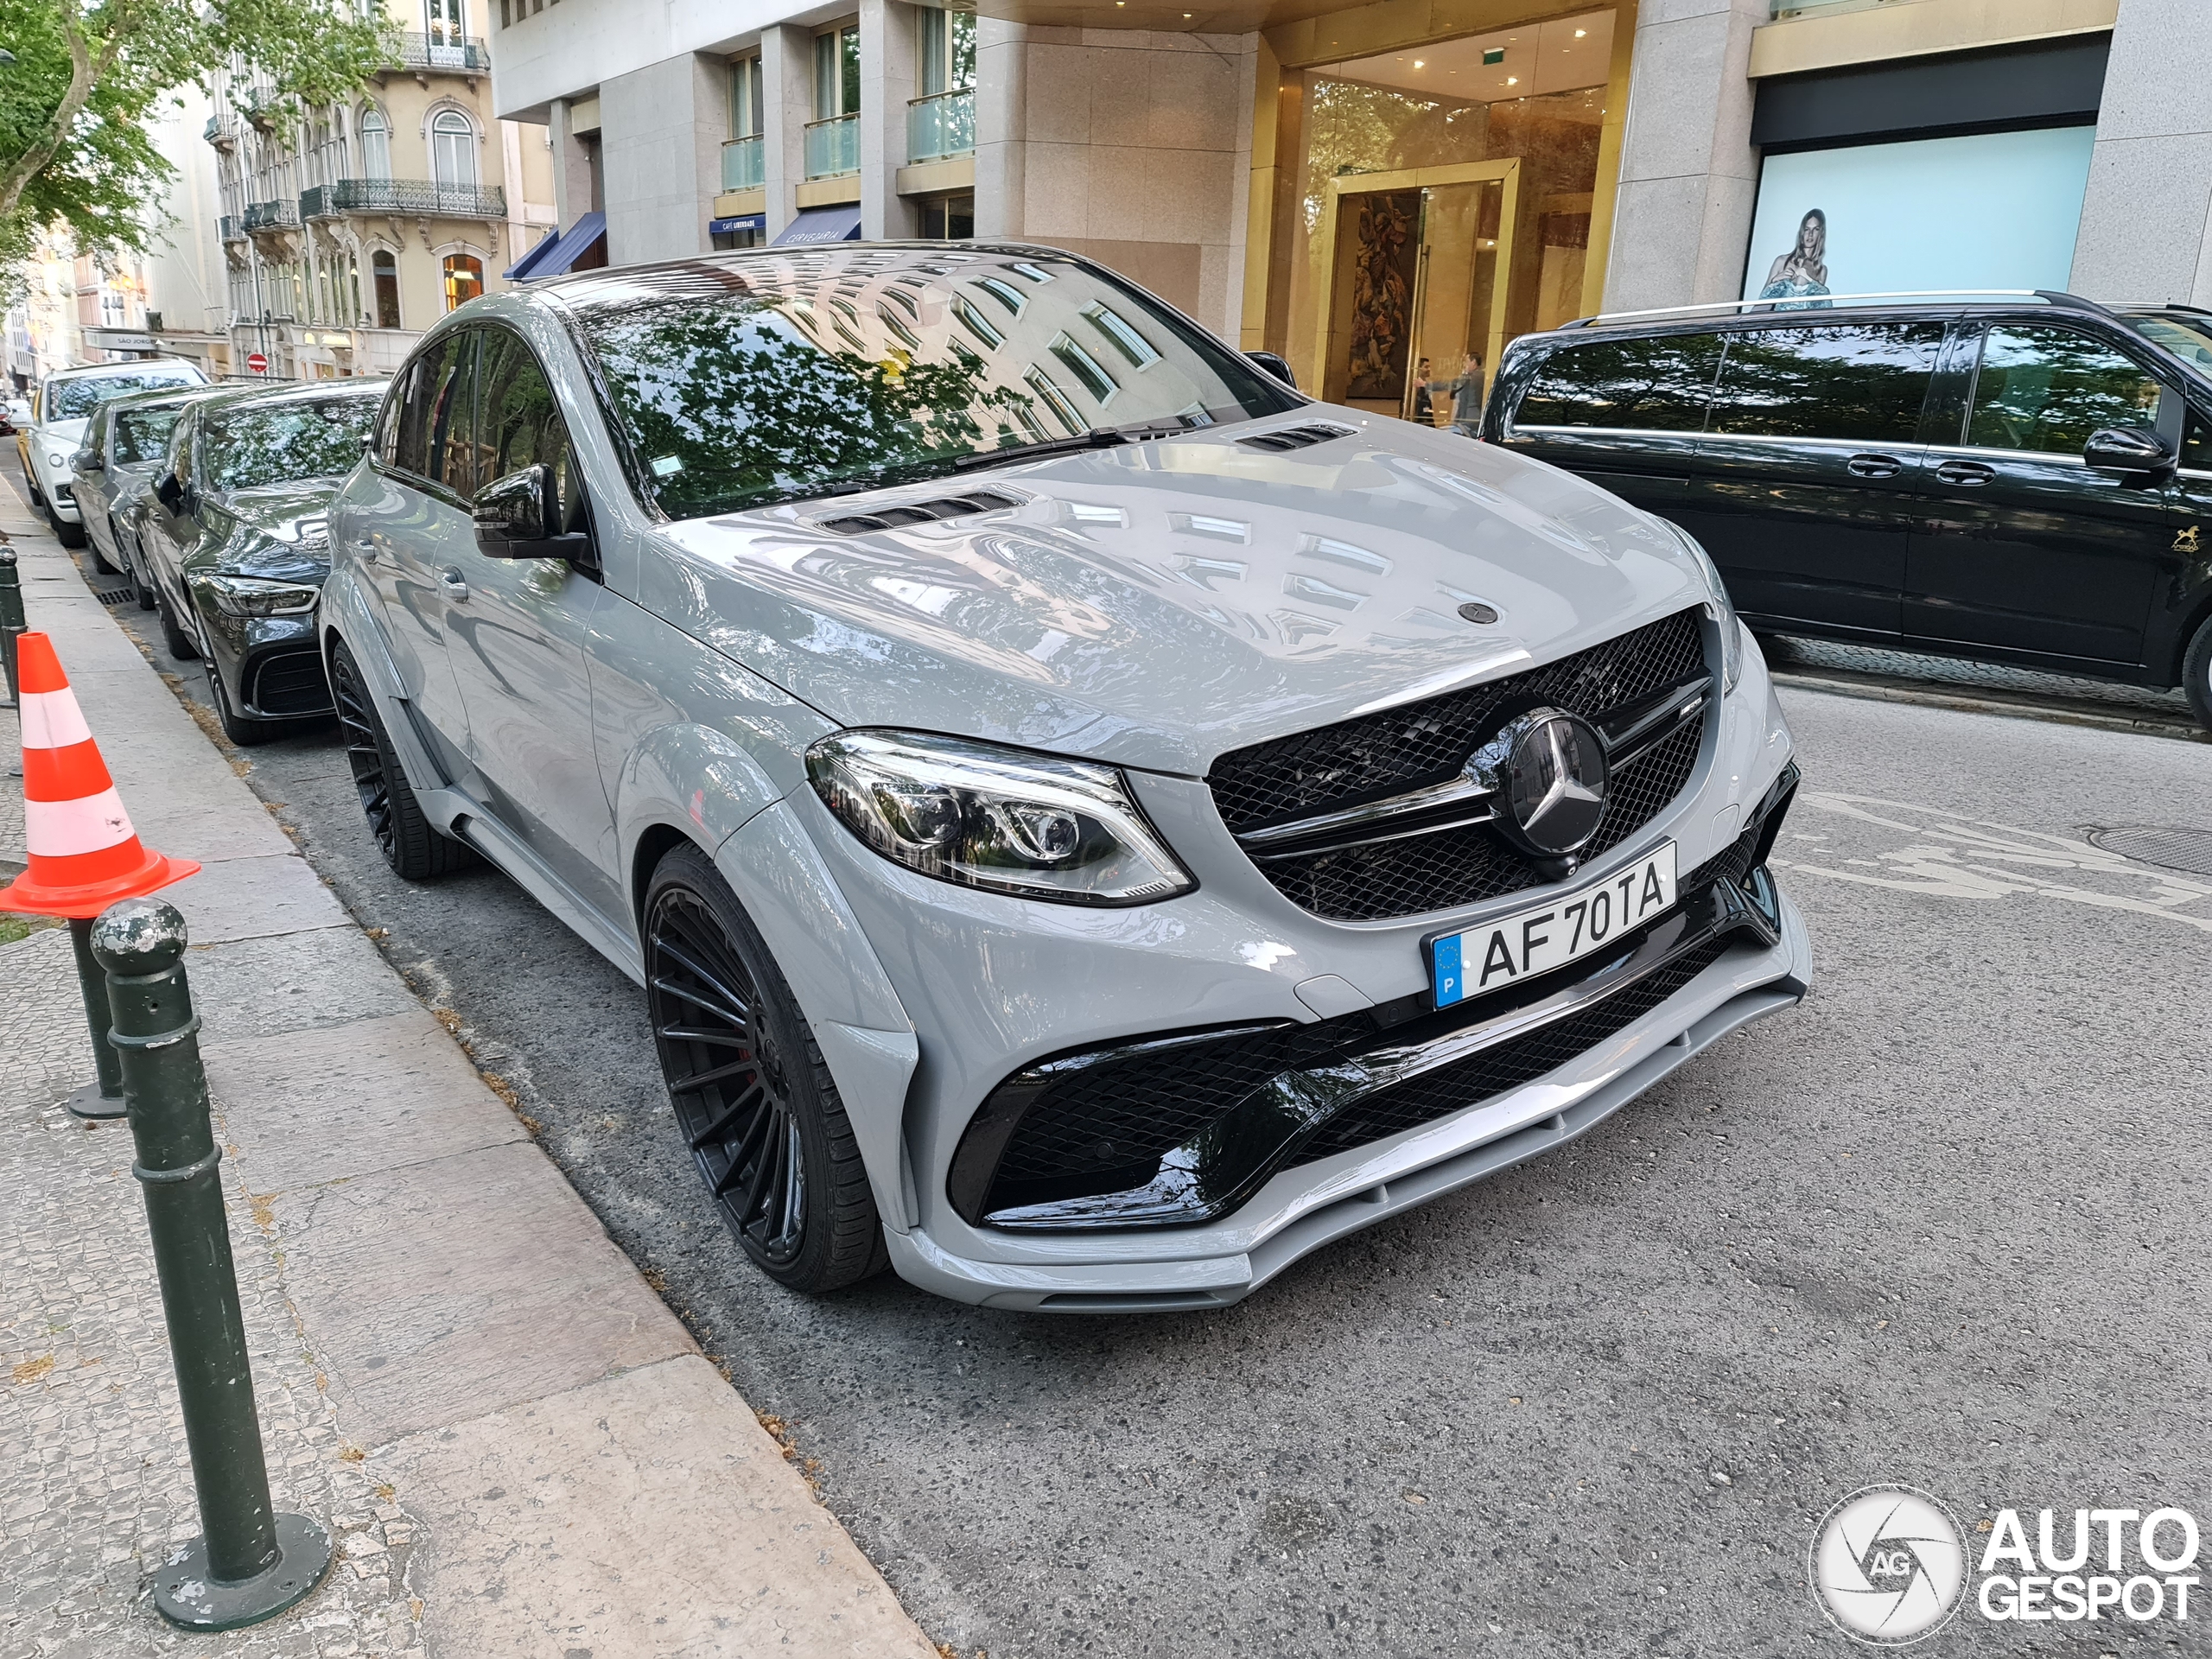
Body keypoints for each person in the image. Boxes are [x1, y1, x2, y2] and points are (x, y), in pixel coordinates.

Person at [1758, 208, 1832, 309]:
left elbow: (1817, 307)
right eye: (1807, 229)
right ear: (1802, 232)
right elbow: (1761, 304)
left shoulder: (1821, 270)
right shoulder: (1782, 261)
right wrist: (1774, 281)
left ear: (1821, 233)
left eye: (1816, 229)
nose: (1810, 234)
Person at [1434, 352, 1484, 436]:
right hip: (1467, 419)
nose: (1464, 364)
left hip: (1469, 421)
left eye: (1466, 361)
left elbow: (1452, 384)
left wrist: (1426, 384)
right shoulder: (1478, 376)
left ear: (1473, 362)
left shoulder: (1473, 377)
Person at [1411, 357, 1433, 424]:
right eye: (1426, 367)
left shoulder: (1428, 383)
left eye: (1429, 367)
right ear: (1419, 369)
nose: (1429, 369)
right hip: (1420, 421)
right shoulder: (1415, 385)